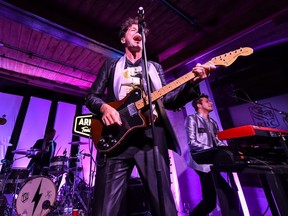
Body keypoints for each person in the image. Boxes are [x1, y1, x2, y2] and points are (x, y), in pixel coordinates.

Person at [85, 17, 215, 216]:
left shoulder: (154, 67)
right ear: (123, 39)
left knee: (164, 206)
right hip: (116, 139)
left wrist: (192, 83)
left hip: (150, 138)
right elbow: (91, 96)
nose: (140, 33)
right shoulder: (111, 65)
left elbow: (169, 100)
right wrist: (104, 108)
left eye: (142, 31)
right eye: (134, 30)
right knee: (104, 209)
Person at [185, 94, 241, 216]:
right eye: (207, 101)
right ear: (199, 105)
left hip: (213, 161)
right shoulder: (192, 119)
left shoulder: (213, 122)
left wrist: (228, 150)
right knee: (224, 195)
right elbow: (192, 142)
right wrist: (212, 150)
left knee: (211, 201)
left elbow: (217, 140)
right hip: (200, 162)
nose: (211, 103)